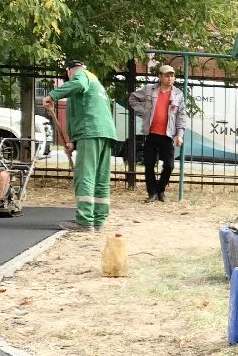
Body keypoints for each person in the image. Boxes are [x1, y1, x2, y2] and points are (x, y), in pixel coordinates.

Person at [44, 60, 118, 232]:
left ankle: (84, 220)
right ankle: (98, 219)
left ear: (69, 71)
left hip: (90, 132)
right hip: (105, 132)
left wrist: (53, 95)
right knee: (101, 177)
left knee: (85, 175)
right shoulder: (95, 80)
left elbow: (77, 85)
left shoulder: (80, 77)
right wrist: (74, 142)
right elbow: (88, 109)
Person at [129, 64, 187, 202]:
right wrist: (144, 110)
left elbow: (181, 115)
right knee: (149, 164)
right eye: (167, 76)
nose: (170, 78)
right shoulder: (150, 90)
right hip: (151, 133)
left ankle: (160, 190)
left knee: (169, 165)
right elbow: (132, 98)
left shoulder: (178, 94)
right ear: (160, 76)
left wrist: (179, 134)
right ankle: (152, 193)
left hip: (167, 135)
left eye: (172, 76)